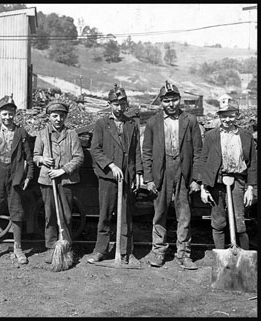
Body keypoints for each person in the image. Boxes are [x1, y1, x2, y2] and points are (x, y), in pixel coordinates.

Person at [142, 81, 202, 269]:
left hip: (183, 170)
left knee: (184, 214)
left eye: (174, 100)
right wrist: (149, 178)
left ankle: (183, 254)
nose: (171, 104)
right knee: (159, 213)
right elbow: (147, 152)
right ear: (161, 102)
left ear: (179, 100)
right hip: (162, 170)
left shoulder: (190, 121)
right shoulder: (153, 123)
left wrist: (195, 178)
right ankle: (159, 252)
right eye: (167, 101)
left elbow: (198, 152)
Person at [87, 85, 143, 265]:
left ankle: (126, 252)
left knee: (126, 215)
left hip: (127, 176)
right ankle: (100, 250)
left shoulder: (132, 124)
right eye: (116, 104)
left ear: (126, 104)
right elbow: (95, 149)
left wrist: (137, 173)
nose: (119, 108)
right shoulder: (102, 124)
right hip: (107, 177)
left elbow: (136, 152)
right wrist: (111, 165)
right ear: (109, 104)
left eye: (123, 104)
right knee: (105, 215)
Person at [194, 98, 257, 250]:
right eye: (224, 116)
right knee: (218, 222)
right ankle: (221, 256)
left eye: (231, 115)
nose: (227, 119)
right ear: (219, 116)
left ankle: (243, 257)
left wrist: (250, 188)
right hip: (217, 183)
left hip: (238, 182)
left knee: (239, 222)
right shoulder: (211, 136)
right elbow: (203, 161)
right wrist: (204, 187)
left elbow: (252, 163)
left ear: (237, 116)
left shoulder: (246, 136)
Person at [0, 94, 34, 264]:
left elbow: (29, 157)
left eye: (11, 113)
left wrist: (28, 176)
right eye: (4, 113)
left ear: (15, 114)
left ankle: (18, 248)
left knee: (16, 211)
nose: (7, 117)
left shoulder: (21, 132)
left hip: (15, 175)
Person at [33, 100, 84, 264]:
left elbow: (79, 157)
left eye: (62, 116)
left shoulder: (72, 134)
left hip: (66, 180)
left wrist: (62, 170)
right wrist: (42, 159)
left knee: (66, 215)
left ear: (65, 117)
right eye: (55, 116)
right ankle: (51, 248)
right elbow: (34, 156)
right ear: (49, 117)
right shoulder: (42, 134)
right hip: (48, 181)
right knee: (50, 215)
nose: (58, 119)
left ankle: (66, 248)